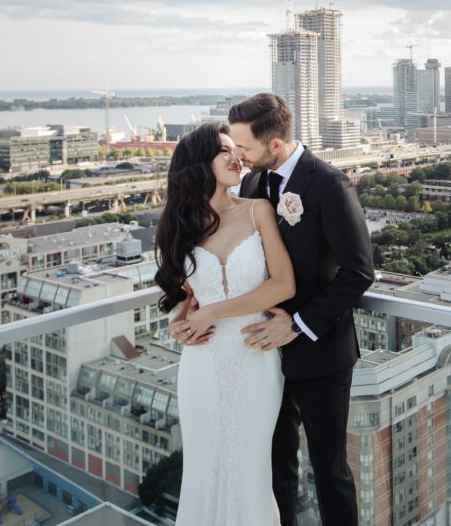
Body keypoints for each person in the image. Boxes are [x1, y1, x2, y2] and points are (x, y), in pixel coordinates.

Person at [228, 93, 375, 526]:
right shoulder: (253, 184)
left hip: (321, 351)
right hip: (265, 353)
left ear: (274, 144)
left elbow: (359, 272)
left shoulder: (329, 184)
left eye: (244, 148)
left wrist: (298, 325)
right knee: (275, 465)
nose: (239, 157)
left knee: (330, 471)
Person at [154, 122, 296, 525]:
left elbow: (283, 285)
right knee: (204, 468)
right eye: (224, 151)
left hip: (254, 358)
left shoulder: (257, 211)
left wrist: (214, 312)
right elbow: (188, 297)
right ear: (199, 163)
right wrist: (178, 323)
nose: (237, 157)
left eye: (238, 149)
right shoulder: (178, 225)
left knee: (248, 468)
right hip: (201, 365)